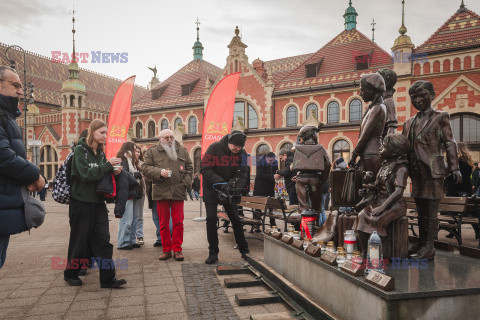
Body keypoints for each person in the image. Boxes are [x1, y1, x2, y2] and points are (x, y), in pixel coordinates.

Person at [402, 80, 461, 260]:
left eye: (422, 95)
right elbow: (404, 146)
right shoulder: (409, 122)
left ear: (432, 96)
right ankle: (421, 242)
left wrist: (454, 167)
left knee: (431, 210)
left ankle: (429, 247)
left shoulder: (440, 117)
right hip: (416, 172)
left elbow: (449, 143)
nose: (418, 100)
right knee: (421, 210)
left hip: (433, 171)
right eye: (414, 97)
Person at [64, 119, 126, 288]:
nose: (105, 136)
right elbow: (85, 174)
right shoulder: (79, 150)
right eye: (102, 132)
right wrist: (107, 166)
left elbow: (101, 174)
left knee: (104, 241)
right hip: (81, 203)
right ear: (92, 132)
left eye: (106, 132)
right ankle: (71, 274)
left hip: (98, 203)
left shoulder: (101, 152)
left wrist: (113, 170)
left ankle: (107, 278)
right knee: (79, 241)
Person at [0, 66, 45, 269]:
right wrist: (35, 174)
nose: (21, 91)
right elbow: (4, 157)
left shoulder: (7, 116)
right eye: (15, 85)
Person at [142, 129, 193, 261]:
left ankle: (177, 249)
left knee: (178, 222)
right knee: (163, 223)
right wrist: (159, 171)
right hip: (161, 190)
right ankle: (166, 250)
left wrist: (185, 182)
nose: (169, 139)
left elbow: (189, 168)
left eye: (171, 137)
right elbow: (145, 168)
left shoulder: (182, 150)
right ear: (160, 139)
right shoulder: (152, 151)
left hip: (178, 190)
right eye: (166, 138)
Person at [201, 131, 250, 264]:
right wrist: (222, 183)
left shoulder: (242, 153)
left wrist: (237, 187)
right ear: (228, 141)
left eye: (240, 147)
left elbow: (244, 171)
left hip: (229, 189)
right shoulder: (214, 148)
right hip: (211, 188)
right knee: (211, 219)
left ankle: (244, 250)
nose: (237, 149)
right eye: (234, 145)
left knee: (235, 218)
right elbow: (204, 168)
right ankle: (213, 252)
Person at [349, 73, 387, 178]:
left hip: (372, 154)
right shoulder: (374, 107)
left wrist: (354, 155)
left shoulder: (377, 108)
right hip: (369, 154)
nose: (360, 94)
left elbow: (365, 135)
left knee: (373, 188)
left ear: (371, 90)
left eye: (362, 90)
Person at [116, 142, 144, 250]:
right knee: (126, 218)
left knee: (134, 218)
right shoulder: (123, 159)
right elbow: (124, 174)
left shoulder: (133, 161)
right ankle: (123, 242)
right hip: (126, 192)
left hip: (134, 192)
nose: (136, 151)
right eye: (134, 149)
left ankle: (131, 240)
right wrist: (138, 175)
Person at [253, 152, 278, 226]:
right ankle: (256, 224)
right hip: (260, 187)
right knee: (258, 207)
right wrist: (273, 176)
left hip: (270, 188)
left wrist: (278, 174)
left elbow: (276, 171)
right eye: (269, 161)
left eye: (272, 161)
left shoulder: (275, 162)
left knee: (271, 206)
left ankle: (273, 224)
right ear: (266, 158)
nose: (271, 162)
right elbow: (261, 175)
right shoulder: (260, 163)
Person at [135, 145, 146, 245]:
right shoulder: (127, 162)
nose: (137, 153)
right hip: (131, 191)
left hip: (141, 191)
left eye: (139, 152)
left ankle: (140, 235)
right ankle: (131, 235)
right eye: (136, 151)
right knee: (130, 215)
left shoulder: (142, 163)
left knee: (139, 214)